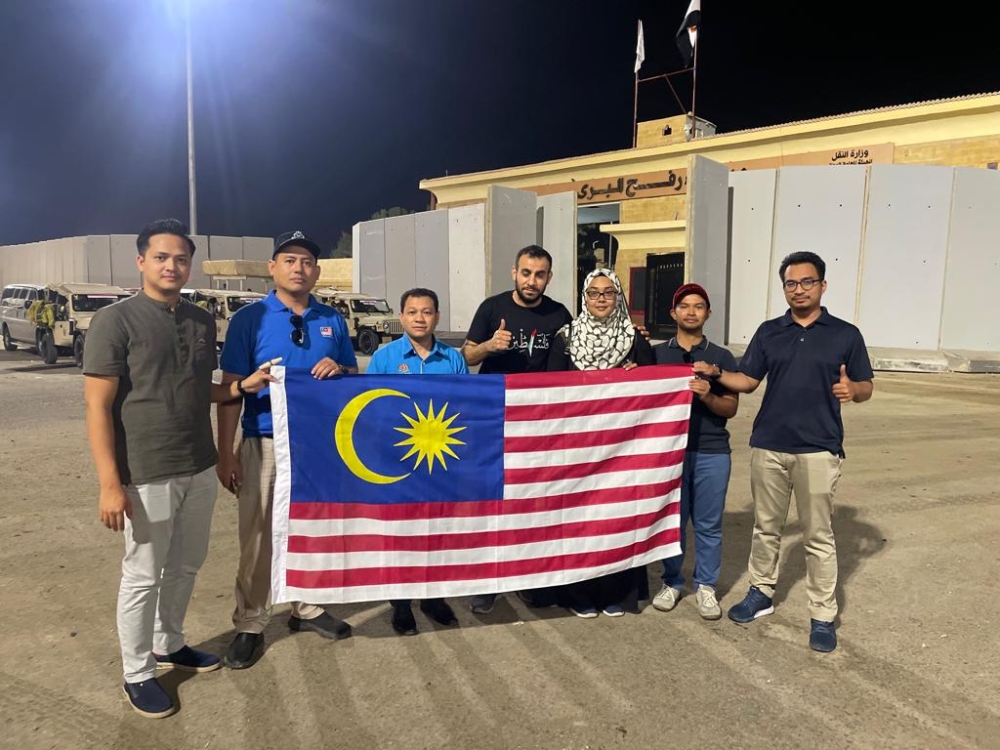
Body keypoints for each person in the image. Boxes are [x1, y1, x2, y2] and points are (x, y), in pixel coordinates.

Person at [84, 219, 276, 719]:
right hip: (146, 470)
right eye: (162, 257)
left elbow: (197, 388)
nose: (172, 266)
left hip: (197, 465)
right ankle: (138, 672)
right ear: (141, 261)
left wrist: (239, 387)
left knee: (187, 564)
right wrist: (109, 483)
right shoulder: (115, 321)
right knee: (143, 574)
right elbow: (97, 408)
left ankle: (169, 642)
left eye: (181, 259)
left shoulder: (199, 319)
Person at [693, 251, 873, 653]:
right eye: (791, 284)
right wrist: (717, 373)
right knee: (766, 528)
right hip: (769, 445)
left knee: (818, 536)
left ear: (822, 286)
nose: (799, 290)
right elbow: (749, 379)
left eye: (807, 282)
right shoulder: (770, 331)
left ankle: (823, 615)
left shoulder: (845, 334)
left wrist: (853, 392)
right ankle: (761, 593)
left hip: (818, 449)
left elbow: (865, 386)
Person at [216, 230, 359, 670]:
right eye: (290, 260)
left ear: (316, 271)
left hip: (318, 445)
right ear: (273, 267)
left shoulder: (332, 320)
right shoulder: (250, 319)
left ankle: (307, 605)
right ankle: (251, 622)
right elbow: (230, 389)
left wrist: (340, 367)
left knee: (312, 529)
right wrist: (227, 451)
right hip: (266, 440)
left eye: (307, 262)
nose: (299, 268)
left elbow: (353, 374)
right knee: (258, 535)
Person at [461, 244, 573, 614]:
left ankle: (528, 577)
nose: (532, 280)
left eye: (539, 274)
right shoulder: (492, 308)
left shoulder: (559, 314)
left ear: (549, 277)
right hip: (494, 420)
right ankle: (487, 581)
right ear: (514, 272)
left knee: (534, 503)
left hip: (540, 425)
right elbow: (465, 356)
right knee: (493, 500)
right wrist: (490, 346)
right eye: (526, 272)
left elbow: (578, 362)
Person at [546, 267, 654, 617]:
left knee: (615, 518)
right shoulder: (566, 337)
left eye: (609, 293)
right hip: (576, 448)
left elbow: (652, 385)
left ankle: (615, 593)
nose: (602, 299)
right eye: (594, 293)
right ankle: (579, 594)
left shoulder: (634, 338)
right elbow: (549, 390)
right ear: (584, 297)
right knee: (579, 518)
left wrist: (635, 374)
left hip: (620, 449)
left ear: (618, 296)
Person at [366, 287, 468, 635]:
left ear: (437, 316)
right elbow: (372, 408)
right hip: (398, 462)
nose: (420, 318)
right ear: (402, 316)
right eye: (412, 312)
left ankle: (432, 596)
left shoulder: (452, 358)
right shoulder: (384, 356)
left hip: (440, 460)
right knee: (401, 534)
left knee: (436, 532)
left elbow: (466, 406)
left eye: (427, 312)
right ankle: (401, 602)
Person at [652, 283, 739, 620]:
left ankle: (706, 586)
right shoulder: (657, 354)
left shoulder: (721, 357)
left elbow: (730, 408)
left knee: (708, 523)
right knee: (672, 521)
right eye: (684, 306)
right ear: (673, 313)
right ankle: (672, 581)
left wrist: (707, 394)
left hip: (712, 451)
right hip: (668, 452)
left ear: (708, 314)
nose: (691, 312)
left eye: (698, 306)